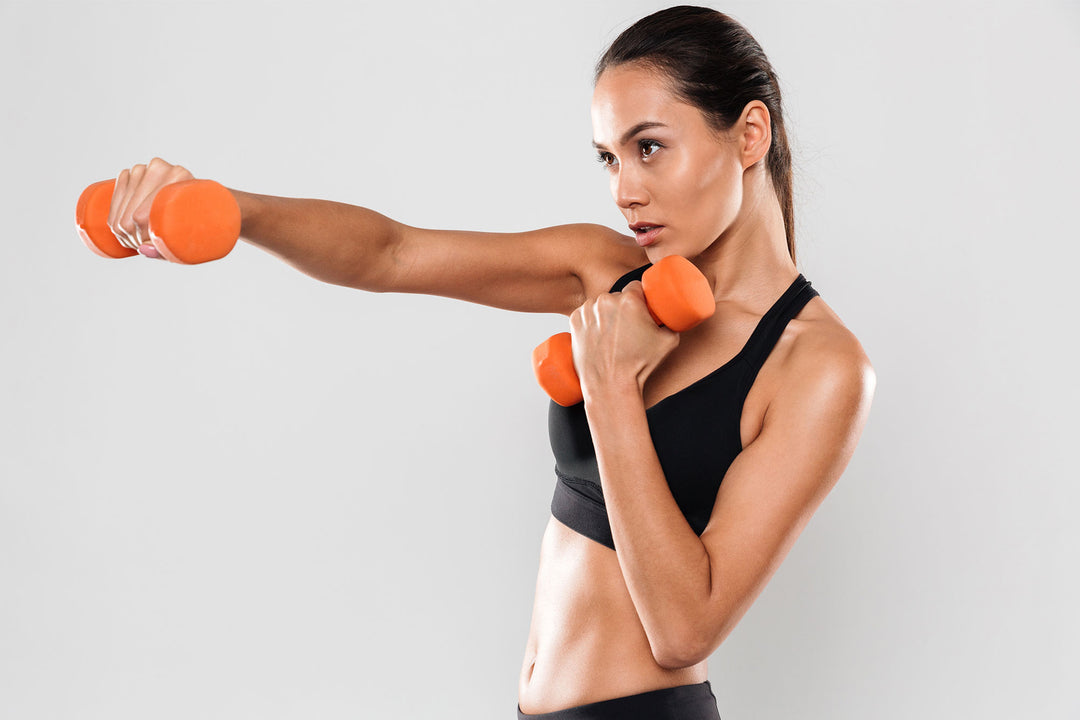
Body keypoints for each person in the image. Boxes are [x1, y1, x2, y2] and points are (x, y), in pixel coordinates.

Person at [101, 6, 875, 719]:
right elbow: (393, 253)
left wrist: (609, 386)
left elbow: (685, 628)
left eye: (649, 148)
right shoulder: (608, 275)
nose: (624, 192)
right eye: (608, 158)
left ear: (748, 135)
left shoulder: (818, 365)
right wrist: (231, 210)